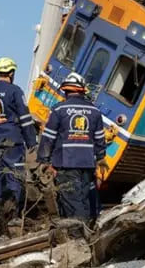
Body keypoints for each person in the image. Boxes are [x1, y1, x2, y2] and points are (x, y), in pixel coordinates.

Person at [37, 72, 107, 221]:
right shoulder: (95, 111)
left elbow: (48, 137)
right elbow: (100, 139)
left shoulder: (59, 109)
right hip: (87, 164)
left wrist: (44, 160)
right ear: (83, 91)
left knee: (71, 201)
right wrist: (101, 158)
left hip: (66, 163)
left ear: (65, 90)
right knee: (83, 198)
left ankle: (78, 232)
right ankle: (87, 228)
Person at [0, 57, 37, 232]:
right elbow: (25, 118)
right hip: (12, 143)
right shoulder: (15, 91)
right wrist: (31, 141)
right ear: (11, 73)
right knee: (14, 176)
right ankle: (13, 216)